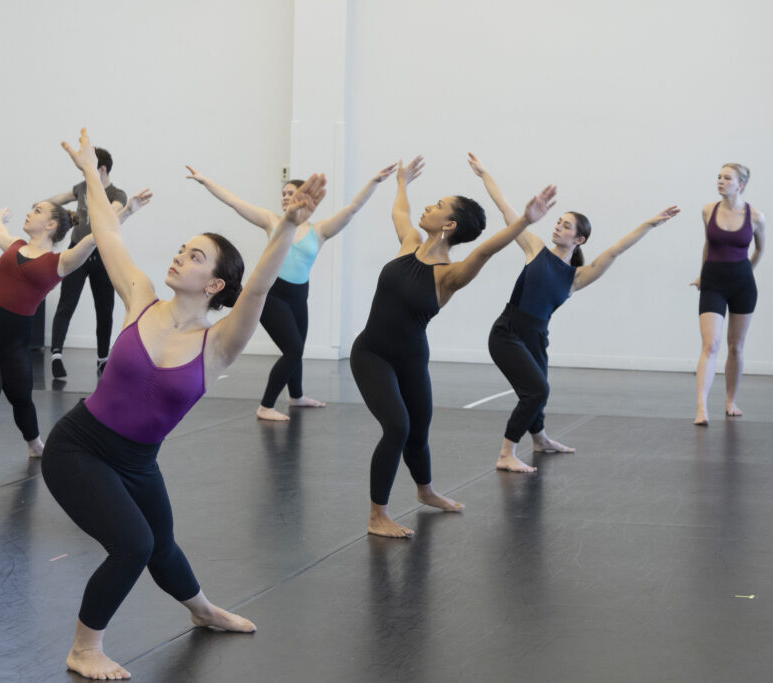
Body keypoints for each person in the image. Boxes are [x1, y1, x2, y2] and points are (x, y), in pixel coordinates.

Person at [43, 128, 326, 680]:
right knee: (133, 544)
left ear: (217, 284)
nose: (180, 257)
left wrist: (288, 226)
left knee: (162, 547)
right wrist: (88, 177)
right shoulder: (141, 297)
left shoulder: (218, 344)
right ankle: (84, 648)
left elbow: (261, 290)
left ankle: (202, 611)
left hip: (138, 461)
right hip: (77, 447)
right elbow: (105, 231)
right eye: (181, 249)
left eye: (194, 256)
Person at [350, 155, 557, 538]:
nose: (428, 207)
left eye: (439, 205)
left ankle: (426, 491)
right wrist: (401, 183)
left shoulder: (450, 275)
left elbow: (485, 250)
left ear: (449, 225)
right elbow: (401, 212)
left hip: (412, 359)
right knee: (396, 427)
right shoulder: (409, 242)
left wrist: (526, 221)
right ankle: (378, 514)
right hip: (371, 353)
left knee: (418, 432)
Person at [468, 153, 679, 472]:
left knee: (537, 393)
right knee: (537, 390)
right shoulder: (534, 248)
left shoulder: (577, 277)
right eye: (558, 222)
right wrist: (485, 174)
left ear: (579, 238)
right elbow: (506, 209)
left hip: (537, 337)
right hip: (507, 332)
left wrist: (650, 223)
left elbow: (616, 250)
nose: (558, 227)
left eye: (566, 226)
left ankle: (539, 439)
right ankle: (505, 454)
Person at [186, 162, 397, 420]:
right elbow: (234, 201)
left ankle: (296, 396)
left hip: (299, 297)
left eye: (290, 193)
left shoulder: (319, 230)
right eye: (283, 194)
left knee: (298, 348)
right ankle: (266, 406)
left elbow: (352, 209)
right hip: (272, 295)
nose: (285, 198)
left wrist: (374, 181)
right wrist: (205, 180)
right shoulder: (272, 221)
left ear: (304, 197)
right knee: (293, 350)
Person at [0, 202, 108, 475]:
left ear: (51, 225)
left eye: (37, 210)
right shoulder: (14, 245)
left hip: (15, 340)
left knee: (21, 396)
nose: (29, 212)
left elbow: (95, 237)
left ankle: (35, 445)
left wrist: (126, 210)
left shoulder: (60, 262)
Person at [47, 146, 148, 379]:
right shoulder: (82, 188)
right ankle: (56, 355)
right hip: (77, 253)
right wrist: (42, 205)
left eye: (88, 168)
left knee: (104, 309)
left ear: (101, 169)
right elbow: (62, 198)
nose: (84, 174)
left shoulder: (116, 194)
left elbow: (112, 216)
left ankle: (103, 360)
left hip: (103, 256)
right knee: (67, 303)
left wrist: (124, 210)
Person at [690, 163, 766, 425]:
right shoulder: (707, 210)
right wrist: (702, 274)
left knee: (736, 347)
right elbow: (708, 245)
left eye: (727, 178)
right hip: (713, 281)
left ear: (740, 184)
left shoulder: (755, 216)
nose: (720, 181)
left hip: (743, 284)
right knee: (710, 344)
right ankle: (701, 408)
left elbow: (759, 250)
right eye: (719, 177)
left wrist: (745, 273)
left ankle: (730, 400)